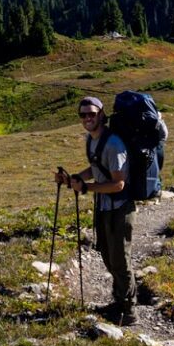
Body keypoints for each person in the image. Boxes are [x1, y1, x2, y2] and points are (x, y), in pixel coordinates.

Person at [55, 95, 136, 324]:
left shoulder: (114, 144)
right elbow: (96, 168)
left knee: (120, 259)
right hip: (104, 205)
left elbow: (118, 183)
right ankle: (120, 300)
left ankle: (129, 311)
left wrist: (86, 187)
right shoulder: (92, 140)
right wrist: (74, 178)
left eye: (92, 113)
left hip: (120, 207)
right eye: (83, 115)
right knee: (108, 255)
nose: (87, 118)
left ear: (101, 114)